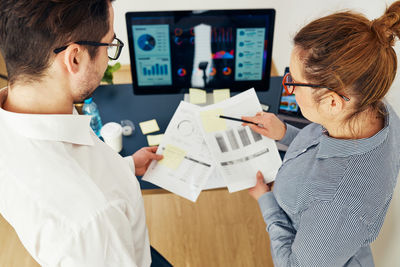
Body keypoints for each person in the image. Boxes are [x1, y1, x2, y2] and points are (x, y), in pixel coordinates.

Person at [0, 0, 170, 266]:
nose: (107, 59)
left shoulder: (26, 113)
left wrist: (124, 167)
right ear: (75, 58)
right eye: (109, 45)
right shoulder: (94, 222)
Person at [242, 2, 400, 266]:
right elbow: (320, 150)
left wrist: (267, 202)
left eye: (293, 81)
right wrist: (285, 133)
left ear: (332, 102)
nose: (288, 87)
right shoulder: (375, 107)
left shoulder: (337, 204)